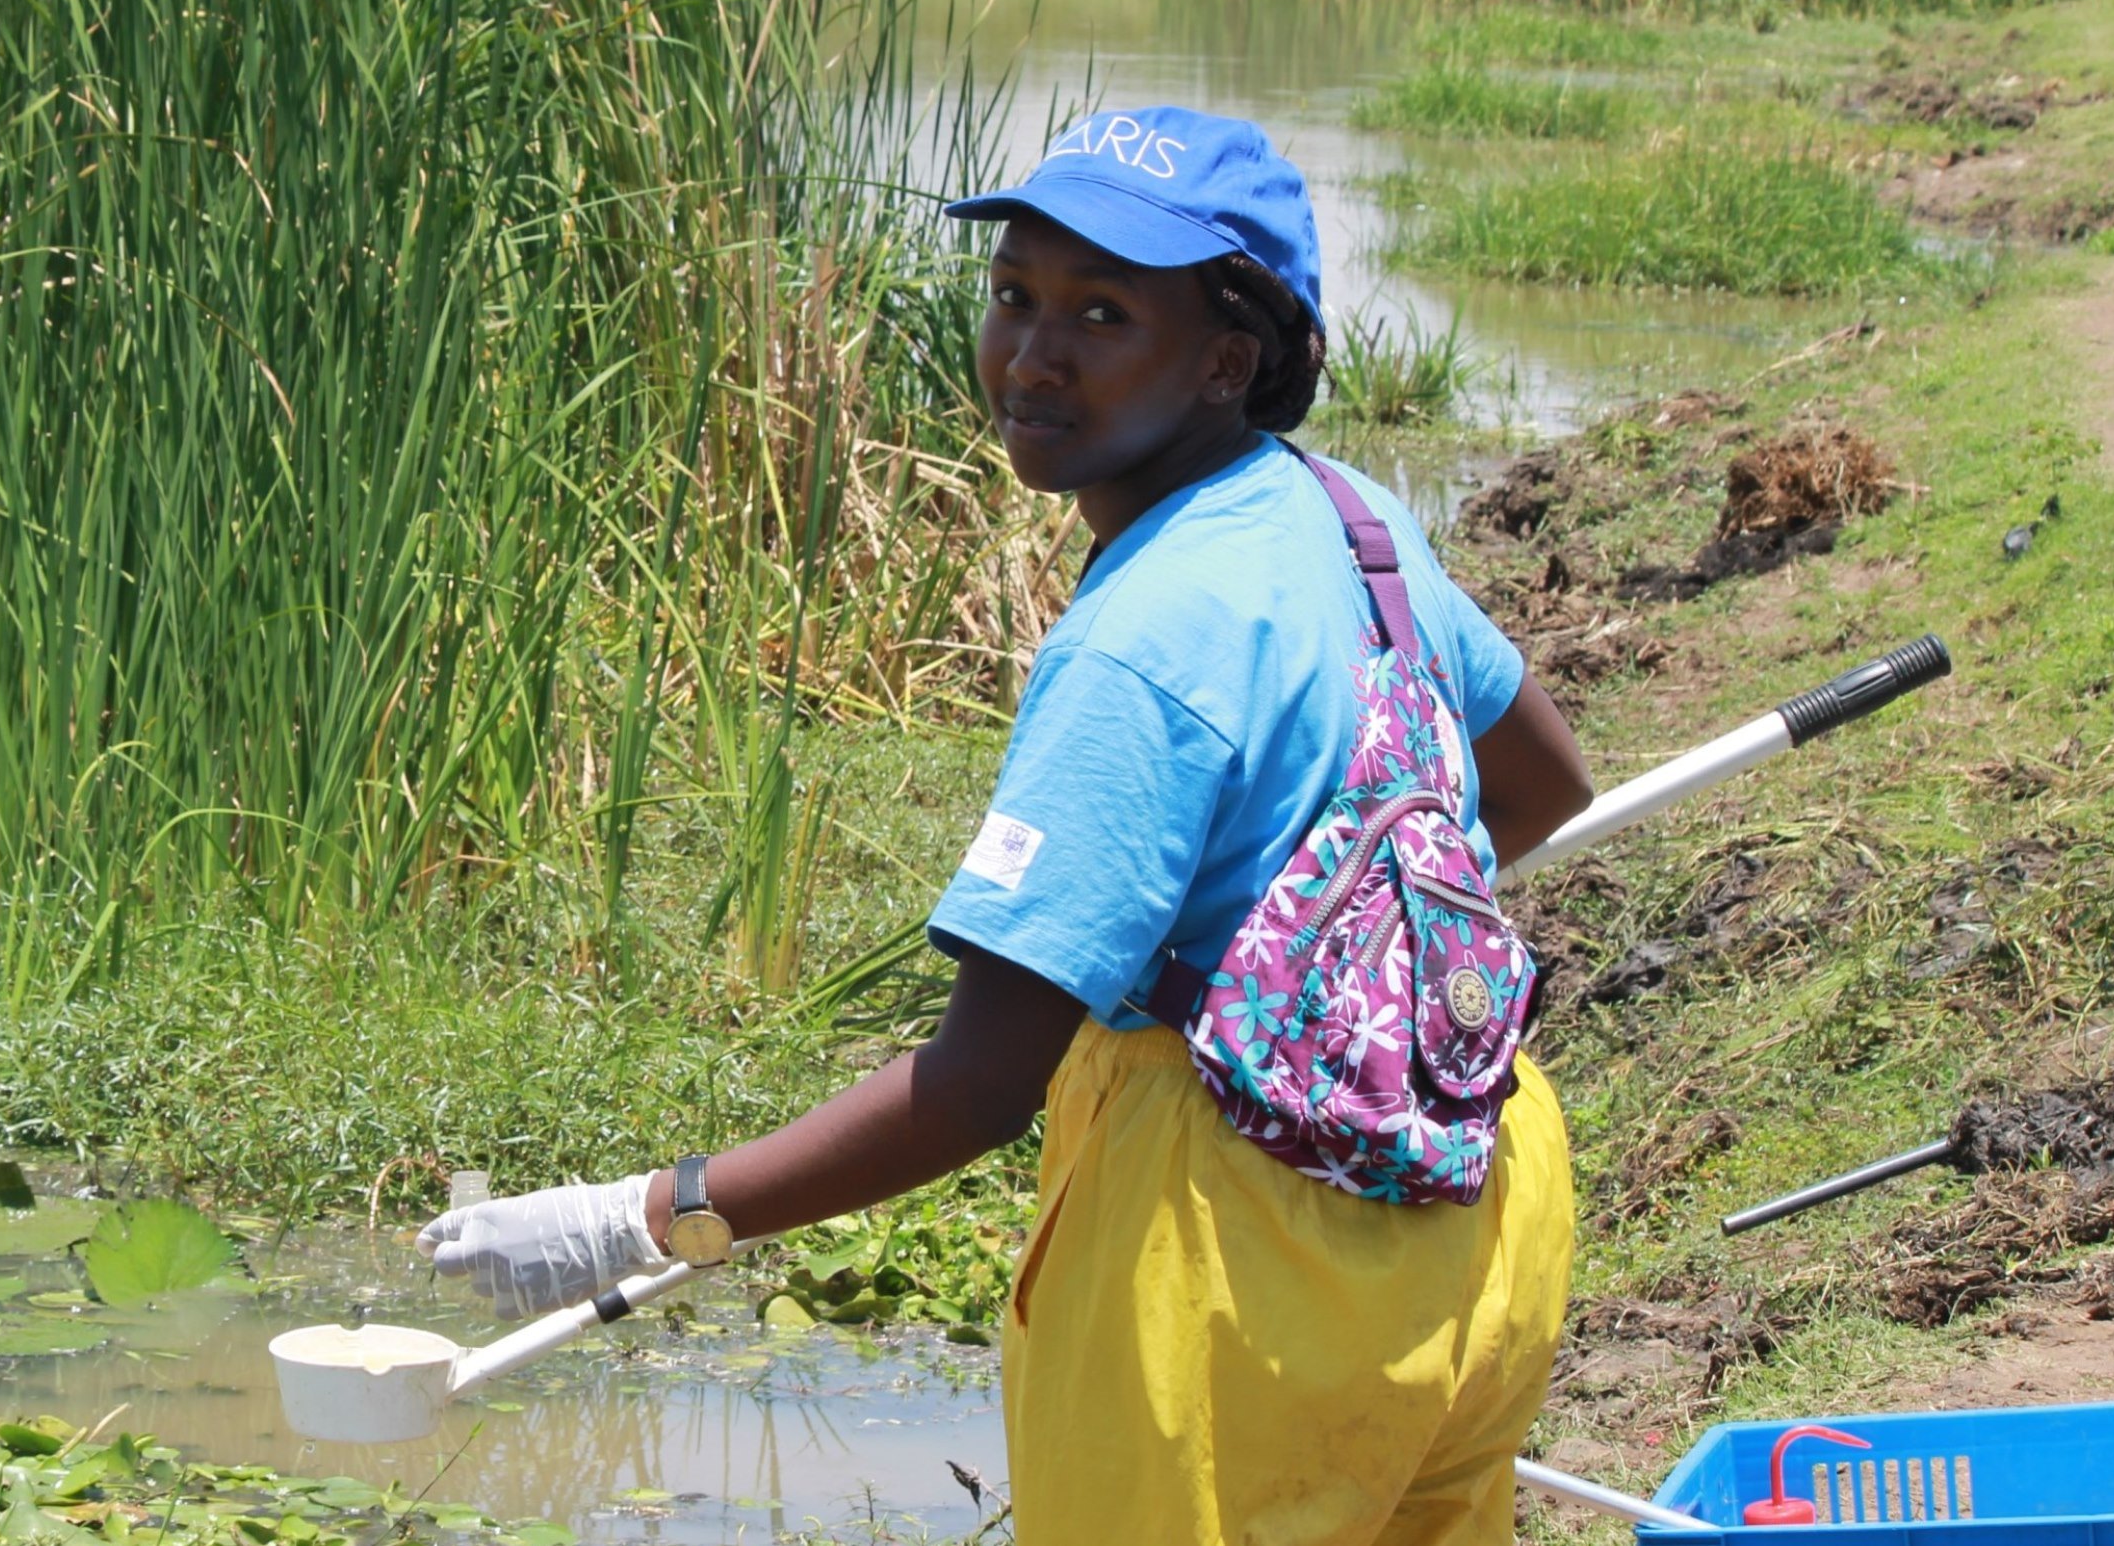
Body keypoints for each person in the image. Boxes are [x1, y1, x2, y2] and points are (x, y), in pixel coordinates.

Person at [419, 106, 1597, 1545]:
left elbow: (978, 1085)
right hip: (1479, 1200)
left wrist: (651, 1213)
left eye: (1104, 314)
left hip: (1244, 1270)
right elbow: (1539, 785)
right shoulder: (1354, 521)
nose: (1033, 354)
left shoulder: (1143, 645)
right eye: (1014, 297)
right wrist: (1348, 964)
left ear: (1230, 359)